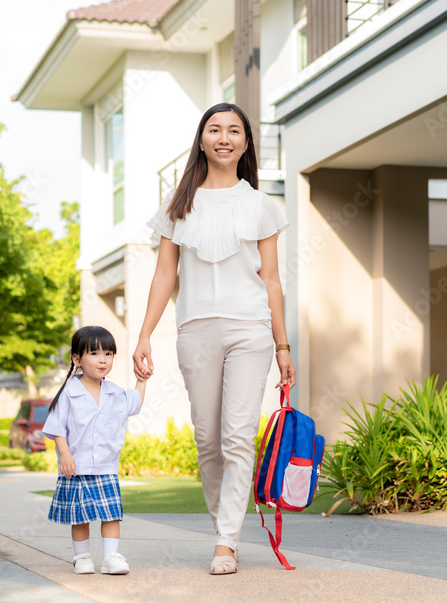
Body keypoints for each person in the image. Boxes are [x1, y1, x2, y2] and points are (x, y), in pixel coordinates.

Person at [132, 102, 296, 575]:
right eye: (215, 129)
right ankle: (222, 529)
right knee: (208, 441)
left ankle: (227, 542)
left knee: (238, 437)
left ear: (245, 143)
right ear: (202, 140)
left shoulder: (262, 205)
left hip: (251, 331)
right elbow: (165, 275)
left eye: (234, 131)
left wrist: (283, 346)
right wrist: (144, 335)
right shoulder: (178, 205)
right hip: (195, 330)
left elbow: (272, 282)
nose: (224, 137)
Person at [43, 325, 147, 575]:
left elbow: (135, 402)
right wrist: (65, 454)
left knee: (111, 514)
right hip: (76, 467)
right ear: (77, 359)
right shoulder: (69, 392)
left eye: (109, 354)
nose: (103, 359)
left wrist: (142, 379)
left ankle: (111, 556)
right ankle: (82, 557)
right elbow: (57, 426)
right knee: (80, 516)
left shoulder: (115, 392)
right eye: (95, 353)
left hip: (106, 465)